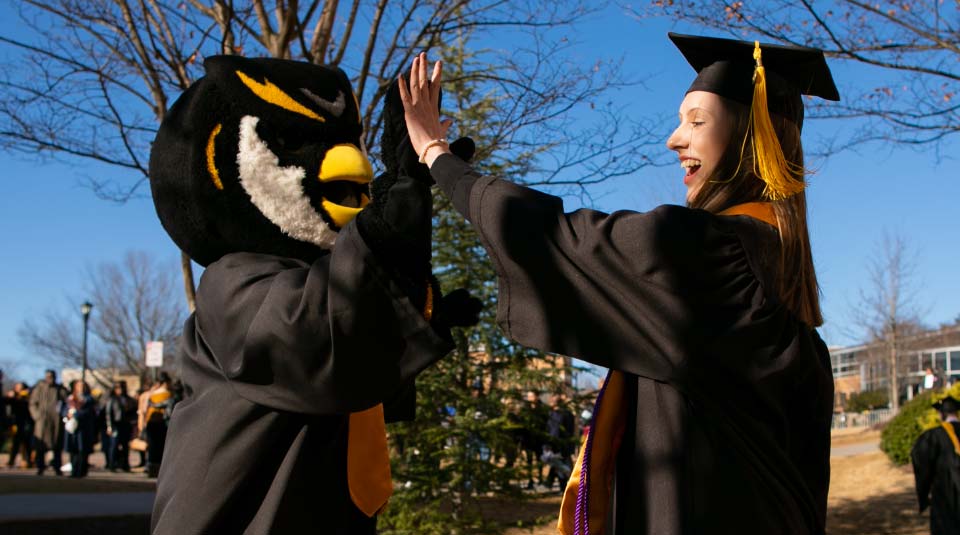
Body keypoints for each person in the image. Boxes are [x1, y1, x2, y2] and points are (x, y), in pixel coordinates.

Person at [400, 31, 838, 534]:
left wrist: (437, 155)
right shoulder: (780, 282)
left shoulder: (707, 258)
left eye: (697, 120)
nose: (675, 138)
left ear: (747, 136)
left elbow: (556, 238)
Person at [911, 395, 960, 535]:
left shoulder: (933, 436)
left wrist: (923, 495)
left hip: (946, 499)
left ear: (941, 414)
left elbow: (922, 466)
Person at [29, 369, 67, 476]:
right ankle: (40, 467)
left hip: (56, 421)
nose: (50, 379)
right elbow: (32, 403)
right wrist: (37, 416)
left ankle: (57, 467)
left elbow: (66, 402)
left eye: (52, 376)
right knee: (41, 446)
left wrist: (62, 416)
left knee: (56, 446)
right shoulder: (39, 388)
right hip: (42, 420)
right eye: (48, 376)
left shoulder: (60, 389)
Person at [144, 373, 175, 478]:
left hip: (150, 424)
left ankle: (151, 468)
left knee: (152, 448)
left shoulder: (151, 395)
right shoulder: (168, 394)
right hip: (161, 424)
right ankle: (160, 471)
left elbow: (145, 410)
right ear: (166, 383)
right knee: (161, 448)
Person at [64, 380, 97, 478]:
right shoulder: (70, 398)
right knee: (73, 449)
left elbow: (89, 412)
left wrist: (75, 414)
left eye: (82, 386)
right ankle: (73, 470)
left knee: (82, 450)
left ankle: (81, 471)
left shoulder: (89, 399)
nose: (81, 388)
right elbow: (64, 409)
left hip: (83, 428)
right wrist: (67, 414)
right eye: (78, 386)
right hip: (72, 427)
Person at [105, 381, 136, 471]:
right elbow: (108, 414)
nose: (120, 390)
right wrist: (109, 426)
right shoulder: (112, 400)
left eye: (122, 388)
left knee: (125, 446)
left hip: (126, 425)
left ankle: (125, 465)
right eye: (118, 388)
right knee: (114, 445)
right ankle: (112, 464)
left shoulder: (129, 400)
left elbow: (133, 412)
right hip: (116, 425)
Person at [6, 382, 34, 468]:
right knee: (15, 444)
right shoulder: (13, 398)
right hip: (17, 424)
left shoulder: (28, 397)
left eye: (21, 387)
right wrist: (10, 396)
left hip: (26, 424)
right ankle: (11, 462)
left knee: (27, 444)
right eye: (18, 387)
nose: (19, 389)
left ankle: (28, 462)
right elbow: (6, 402)